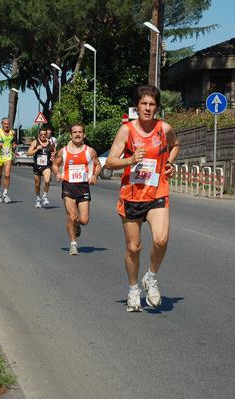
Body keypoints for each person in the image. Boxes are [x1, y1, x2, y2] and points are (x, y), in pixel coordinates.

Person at [105, 85, 180, 312]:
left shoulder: (164, 128)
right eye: (144, 104)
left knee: (161, 239)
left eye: (152, 104)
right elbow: (109, 162)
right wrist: (129, 160)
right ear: (137, 106)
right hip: (132, 195)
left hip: (157, 192)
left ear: (157, 107)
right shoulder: (126, 131)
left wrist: (169, 163)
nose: (148, 108)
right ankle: (133, 289)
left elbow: (175, 145)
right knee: (134, 248)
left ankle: (151, 277)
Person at [52, 123, 101, 255]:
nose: (77, 134)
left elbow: (98, 165)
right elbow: (55, 165)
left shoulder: (89, 151)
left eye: (80, 132)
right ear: (71, 135)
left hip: (83, 186)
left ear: (84, 135)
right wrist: (57, 173)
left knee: (84, 220)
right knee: (72, 217)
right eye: (75, 132)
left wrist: (95, 176)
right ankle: (73, 245)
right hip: (68, 185)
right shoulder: (64, 151)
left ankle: (75, 224)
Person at [27, 127, 55, 208]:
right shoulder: (35, 142)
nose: (43, 136)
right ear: (39, 135)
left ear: (47, 135)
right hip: (37, 165)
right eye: (41, 134)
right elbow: (28, 153)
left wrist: (53, 153)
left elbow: (53, 151)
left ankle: (45, 195)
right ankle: (38, 198)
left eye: (44, 134)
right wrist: (36, 150)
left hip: (47, 165)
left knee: (47, 180)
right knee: (37, 184)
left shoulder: (50, 143)